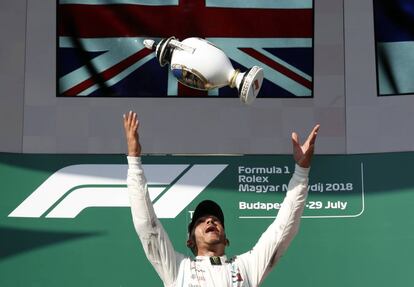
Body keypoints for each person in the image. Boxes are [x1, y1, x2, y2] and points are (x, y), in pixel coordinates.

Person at [123, 111, 320, 287]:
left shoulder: (246, 267)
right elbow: (149, 228)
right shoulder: (178, 268)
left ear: (226, 239)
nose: (210, 221)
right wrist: (134, 160)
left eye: (216, 220)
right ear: (190, 241)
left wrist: (301, 172)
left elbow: (282, 231)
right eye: (200, 221)